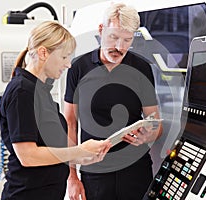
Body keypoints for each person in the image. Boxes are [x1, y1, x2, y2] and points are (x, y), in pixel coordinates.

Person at [0, 21, 112, 200]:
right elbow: (28, 156)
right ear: (44, 53)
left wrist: (88, 156)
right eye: (65, 57)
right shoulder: (22, 91)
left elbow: (59, 150)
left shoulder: (41, 91)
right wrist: (80, 151)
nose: (68, 65)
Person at [64, 3, 163, 200]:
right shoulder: (78, 68)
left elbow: (156, 124)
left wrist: (148, 135)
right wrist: (72, 177)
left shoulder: (141, 68)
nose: (119, 47)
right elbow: (70, 124)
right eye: (114, 37)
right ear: (101, 30)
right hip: (95, 174)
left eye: (127, 40)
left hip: (136, 172)